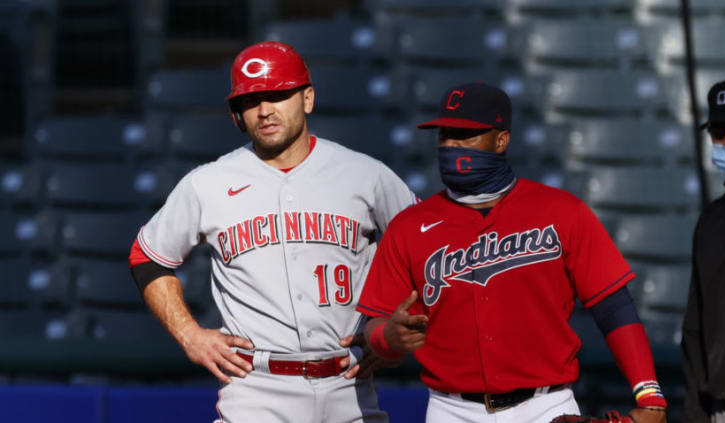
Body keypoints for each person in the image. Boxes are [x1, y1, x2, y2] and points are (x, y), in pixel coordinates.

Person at [127, 41, 418, 422]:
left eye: (278, 94)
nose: (264, 110)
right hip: (257, 387)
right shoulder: (208, 183)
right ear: (236, 115)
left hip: (349, 385)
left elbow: (426, 249)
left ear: (307, 98)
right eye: (251, 101)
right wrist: (190, 335)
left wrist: (388, 333)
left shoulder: (366, 174)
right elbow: (146, 257)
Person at [355, 82, 668, 423]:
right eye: (445, 135)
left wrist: (649, 394)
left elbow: (614, 306)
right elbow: (376, 326)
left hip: (546, 406)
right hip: (451, 410)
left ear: (501, 140)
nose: (451, 146)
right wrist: (388, 337)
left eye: (465, 135)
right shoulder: (410, 226)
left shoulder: (562, 211)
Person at [682, 78, 725, 423]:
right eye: (718, 133)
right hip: (723, 406)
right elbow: (696, 326)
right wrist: (695, 413)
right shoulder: (713, 219)